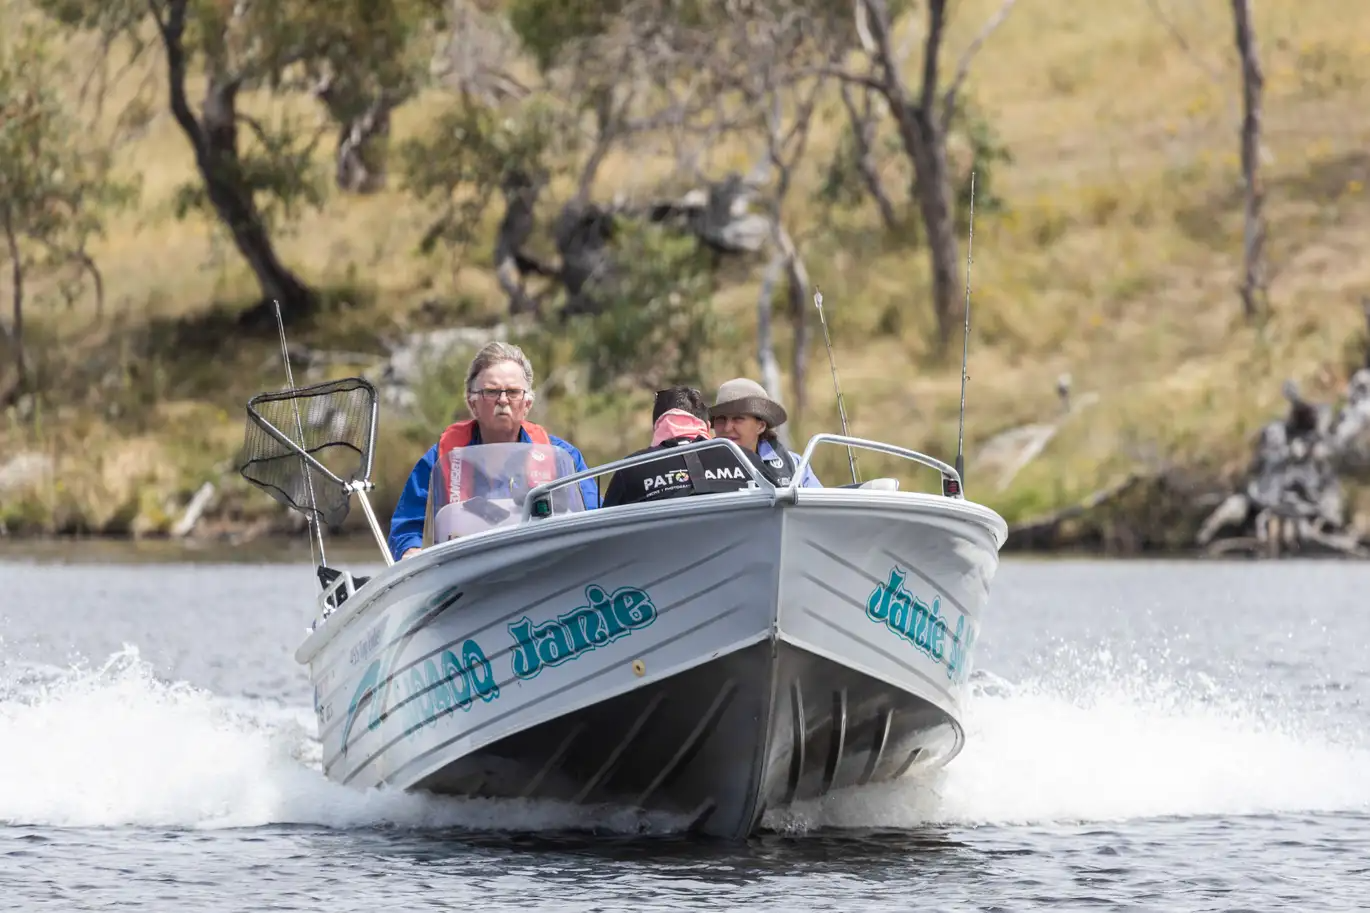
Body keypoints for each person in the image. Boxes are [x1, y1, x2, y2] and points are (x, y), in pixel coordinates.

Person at [387, 341, 599, 561]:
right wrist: (409, 552)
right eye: (491, 392)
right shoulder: (439, 458)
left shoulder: (563, 456)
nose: (503, 400)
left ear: (527, 404)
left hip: (544, 566)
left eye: (513, 392)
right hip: (463, 573)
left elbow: (595, 518)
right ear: (472, 403)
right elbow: (407, 529)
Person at [601, 385, 774, 508]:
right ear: (707, 426)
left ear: (657, 428)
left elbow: (601, 536)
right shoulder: (748, 461)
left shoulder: (630, 468)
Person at [708, 378, 821, 488]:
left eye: (738, 418)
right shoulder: (697, 464)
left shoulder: (795, 466)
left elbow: (821, 505)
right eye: (721, 419)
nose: (727, 428)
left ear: (761, 426)